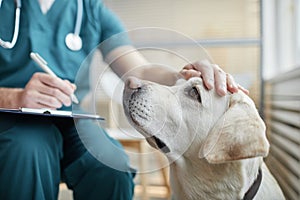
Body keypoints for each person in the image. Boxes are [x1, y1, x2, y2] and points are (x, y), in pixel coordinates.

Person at [0, 0, 247, 199]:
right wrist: (14, 97)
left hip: (73, 120)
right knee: (26, 152)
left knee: (113, 166)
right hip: (11, 121)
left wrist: (179, 76)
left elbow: (137, 69)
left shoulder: (90, 9)